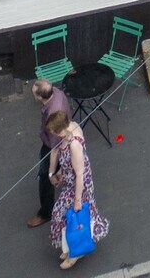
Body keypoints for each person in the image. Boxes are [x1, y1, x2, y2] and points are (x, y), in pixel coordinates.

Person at [45, 109, 109, 269]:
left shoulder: (74, 144)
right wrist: (60, 172)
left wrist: (78, 200)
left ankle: (76, 251)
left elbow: (79, 173)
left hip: (78, 186)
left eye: (53, 131)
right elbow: (67, 162)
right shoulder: (70, 127)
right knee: (66, 216)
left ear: (61, 130)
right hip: (70, 182)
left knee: (71, 216)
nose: (52, 134)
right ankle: (69, 247)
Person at [29, 78, 70, 231]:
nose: (32, 93)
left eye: (34, 93)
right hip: (57, 139)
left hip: (52, 144)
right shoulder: (56, 92)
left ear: (40, 96)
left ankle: (46, 212)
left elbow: (54, 149)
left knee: (45, 176)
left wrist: (52, 172)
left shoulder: (53, 114)